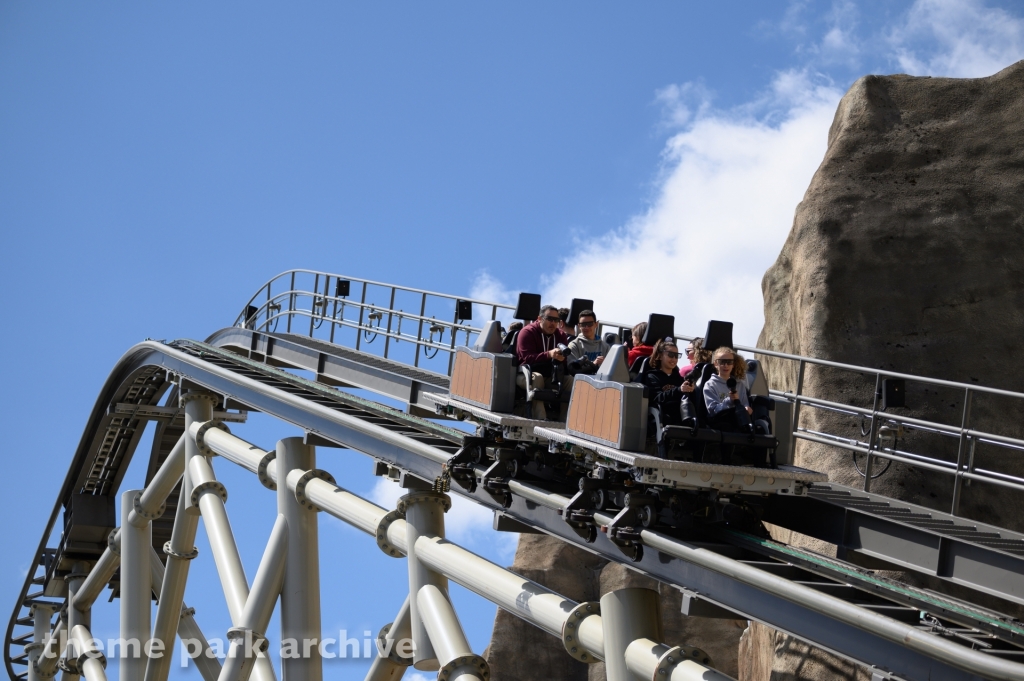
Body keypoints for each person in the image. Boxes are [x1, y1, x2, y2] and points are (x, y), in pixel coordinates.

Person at [515, 305, 572, 419]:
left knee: (570, 380)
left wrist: (561, 358)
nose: (553, 323)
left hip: (551, 374)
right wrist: (549, 354)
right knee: (538, 378)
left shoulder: (560, 335)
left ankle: (566, 421)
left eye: (556, 320)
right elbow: (527, 358)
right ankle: (540, 420)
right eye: (549, 319)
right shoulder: (527, 332)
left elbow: (565, 361)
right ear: (540, 318)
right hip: (525, 374)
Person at [702, 346, 752, 430]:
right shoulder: (710, 384)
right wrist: (729, 400)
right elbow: (713, 411)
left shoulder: (739, 384)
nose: (726, 365)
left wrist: (747, 409)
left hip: (739, 421)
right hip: (720, 423)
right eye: (722, 362)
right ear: (716, 364)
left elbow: (745, 404)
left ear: (733, 364)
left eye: (729, 362)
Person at [567, 309, 609, 374]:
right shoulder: (574, 345)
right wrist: (593, 364)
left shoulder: (605, 346)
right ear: (579, 326)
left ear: (596, 324)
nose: (586, 327)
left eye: (589, 324)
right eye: (583, 324)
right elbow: (573, 370)